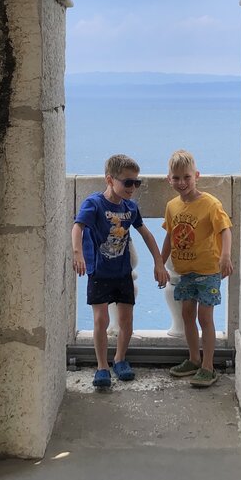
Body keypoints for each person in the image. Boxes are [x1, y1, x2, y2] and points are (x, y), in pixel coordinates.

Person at [72, 154, 169, 388]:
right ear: (109, 180)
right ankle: (102, 366)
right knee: (101, 320)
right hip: (99, 271)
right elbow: (78, 226)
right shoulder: (94, 204)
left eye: (137, 183)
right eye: (128, 182)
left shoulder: (130, 208)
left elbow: (145, 233)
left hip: (122, 271)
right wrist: (77, 253)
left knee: (126, 320)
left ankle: (120, 359)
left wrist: (158, 261)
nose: (132, 187)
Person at [162, 150, 233, 387]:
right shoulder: (172, 206)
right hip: (185, 272)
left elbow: (225, 229)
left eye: (186, 177)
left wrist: (225, 256)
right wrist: (159, 263)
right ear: (169, 179)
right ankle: (194, 359)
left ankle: (208, 366)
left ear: (197, 176)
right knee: (187, 315)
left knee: (205, 317)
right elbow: (170, 236)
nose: (181, 183)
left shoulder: (210, 204)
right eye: (176, 178)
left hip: (208, 271)